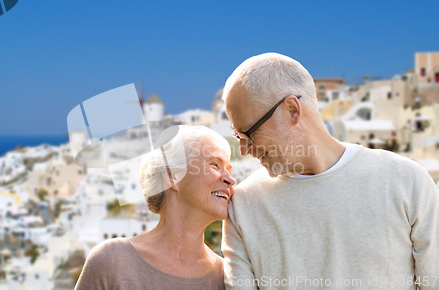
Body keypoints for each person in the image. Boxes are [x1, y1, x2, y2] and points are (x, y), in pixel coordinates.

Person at [221, 53, 439, 289]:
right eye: (238, 137)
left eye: (248, 134)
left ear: (292, 110)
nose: (244, 150)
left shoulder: (407, 182)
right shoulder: (241, 207)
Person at [75, 125, 236, 290]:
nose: (231, 180)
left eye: (229, 171)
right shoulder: (111, 261)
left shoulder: (228, 277)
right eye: (215, 165)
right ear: (173, 176)